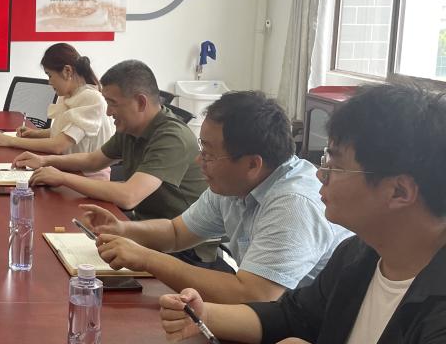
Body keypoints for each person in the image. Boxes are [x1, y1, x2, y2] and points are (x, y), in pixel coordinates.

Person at [159, 84, 446, 344]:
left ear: (399, 191)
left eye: (336, 164)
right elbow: (292, 316)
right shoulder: (360, 254)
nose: (319, 174)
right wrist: (205, 315)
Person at [82, 91, 351, 303]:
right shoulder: (233, 183)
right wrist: (124, 229)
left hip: (309, 336)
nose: (199, 161)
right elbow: (176, 233)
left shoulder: (293, 204)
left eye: (209, 154)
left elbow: (254, 295)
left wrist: (147, 258)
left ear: (252, 164)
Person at [15, 59, 206, 218]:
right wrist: (44, 161)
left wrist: (63, 177)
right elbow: (93, 160)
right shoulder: (131, 128)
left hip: (180, 243)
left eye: (113, 103)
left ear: (140, 102)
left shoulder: (172, 137)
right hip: (146, 225)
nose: (108, 112)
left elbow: (129, 196)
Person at [0, 43, 112, 161]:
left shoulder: (91, 99)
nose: (49, 82)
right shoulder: (69, 96)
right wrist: (35, 133)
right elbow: (66, 132)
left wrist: (11, 141)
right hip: (68, 166)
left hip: (86, 173)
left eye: (50, 75)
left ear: (67, 71)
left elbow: (59, 145)